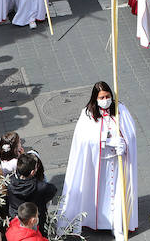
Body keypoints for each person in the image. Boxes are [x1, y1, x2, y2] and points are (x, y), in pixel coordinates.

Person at [58, 81, 138, 233]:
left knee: (116, 195)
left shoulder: (121, 109)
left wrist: (124, 143)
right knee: (99, 195)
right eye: (101, 97)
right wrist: (106, 140)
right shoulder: (87, 114)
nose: (105, 100)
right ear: (95, 98)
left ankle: (117, 225)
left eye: (107, 96)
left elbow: (131, 132)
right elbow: (83, 139)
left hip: (116, 161)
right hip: (97, 163)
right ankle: (97, 221)